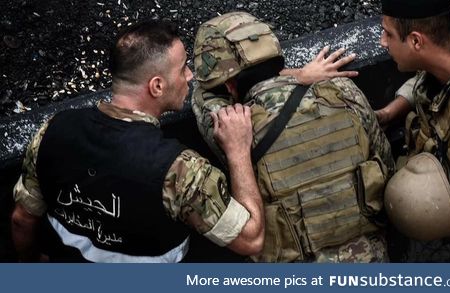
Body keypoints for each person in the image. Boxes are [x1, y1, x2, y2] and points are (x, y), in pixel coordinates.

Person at [10, 19, 264, 262]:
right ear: (157, 86)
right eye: (183, 67)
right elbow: (251, 239)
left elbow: (22, 219)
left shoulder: (52, 130)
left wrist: (29, 262)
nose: (190, 75)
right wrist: (238, 150)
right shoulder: (181, 170)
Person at [192, 12, 395, 262]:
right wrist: (295, 76)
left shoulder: (233, 127)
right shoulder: (343, 90)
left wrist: (294, 75)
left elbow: (201, 95)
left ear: (229, 86)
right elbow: (385, 160)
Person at [375, 0, 450, 259]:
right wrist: (391, 111)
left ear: (416, 41)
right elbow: (425, 84)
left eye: (388, 34)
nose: (382, 42)